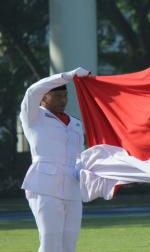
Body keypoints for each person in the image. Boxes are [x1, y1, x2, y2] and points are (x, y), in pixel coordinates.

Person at [20, 67, 92, 252]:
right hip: (44, 186)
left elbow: (79, 154)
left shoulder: (75, 123)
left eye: (65, 96)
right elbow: (32, 91)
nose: (63, 100)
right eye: (57, 96)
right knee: (50, 242)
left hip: (72, 186)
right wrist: (67, 76)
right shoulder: (33, 116)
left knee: (69, 244)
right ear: (44, 97)